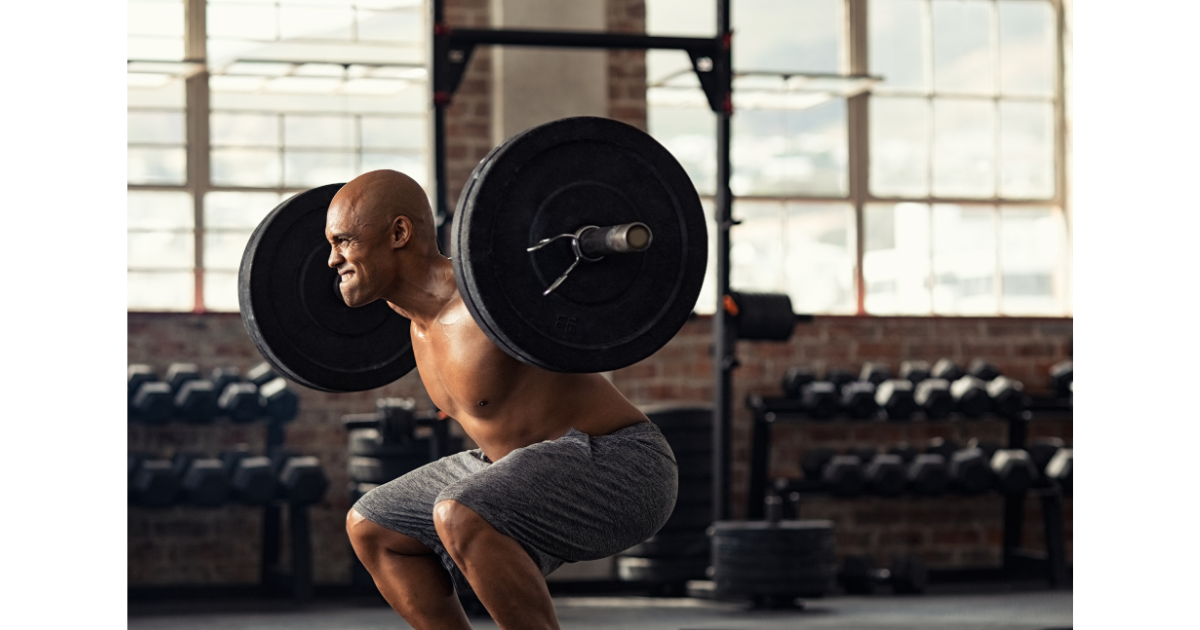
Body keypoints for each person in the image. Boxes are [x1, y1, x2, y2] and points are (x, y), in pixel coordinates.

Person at [335, 170, 678, 630]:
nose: (332, 260)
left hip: (623, 465)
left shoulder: (492, 296)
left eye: (343, 241)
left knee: (459, 512)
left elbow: (568, 292)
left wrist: (598, 248)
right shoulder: (417, 325)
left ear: (399, 233)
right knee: (372, 526)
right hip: (510, 465)